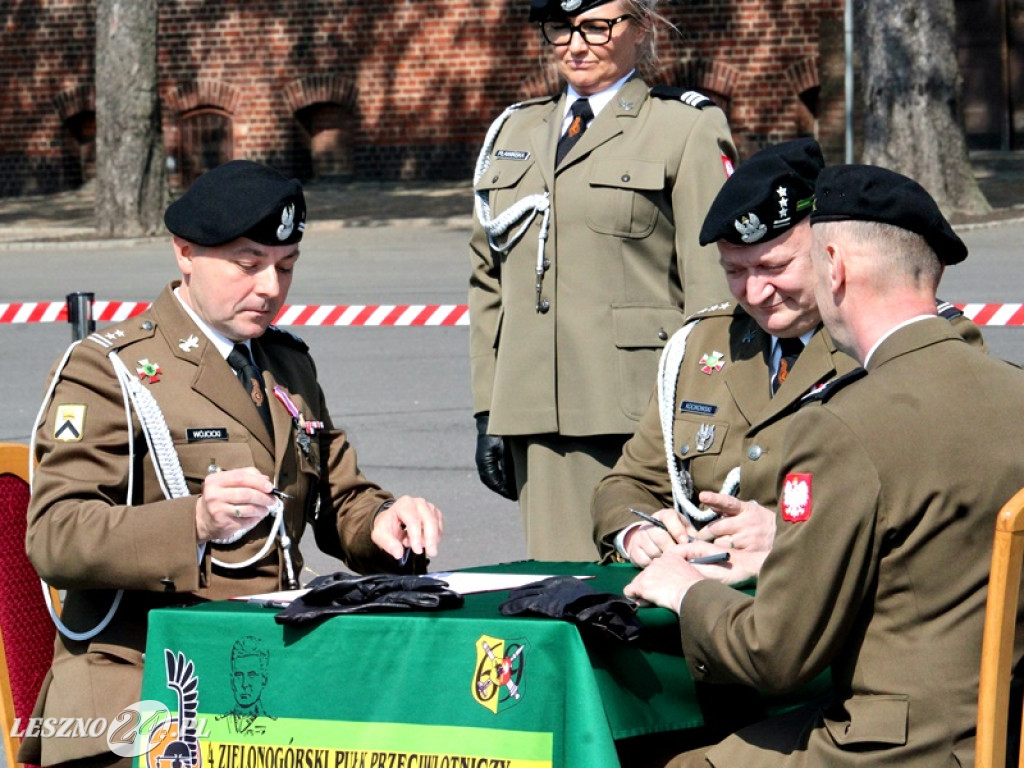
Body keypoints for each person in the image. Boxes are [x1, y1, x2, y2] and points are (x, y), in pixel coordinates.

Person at [21, 160, 444, 768]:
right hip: (141, 690)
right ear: (185, 253)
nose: (270, 287)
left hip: (260, 684)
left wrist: (384, 522)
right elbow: (55, 538)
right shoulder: (110, 369)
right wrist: (191, 522)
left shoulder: (286, 364)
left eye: (287, 266)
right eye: (248, 265)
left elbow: (340, 496)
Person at [624, 163, 1024, 767]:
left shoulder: (842, 425)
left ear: (832, 267)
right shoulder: (1010, 391)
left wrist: (684, 592)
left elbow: (775, 656)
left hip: (894, 748)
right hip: (1001, 728)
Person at [592, 138, 985, 581]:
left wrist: (789, 532)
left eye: (775, 267)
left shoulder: (911, 338)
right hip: (705, 608)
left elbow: (945, 501)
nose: (755, 293)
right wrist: (635, 531)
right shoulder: (701, 346)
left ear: (827, 251)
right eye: (735, 272)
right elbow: (628, 483)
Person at [469, 0, 738, 560]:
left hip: (640, 413)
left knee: (650, 594)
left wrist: (705, 414)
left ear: (640, 29)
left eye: (596, 26)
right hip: (536, 413)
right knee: (559, 592)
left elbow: (713, 286)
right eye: (562, 29)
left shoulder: (684, 127)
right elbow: (488, 281)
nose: (576, 44)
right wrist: (486, 409)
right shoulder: (514, 130)